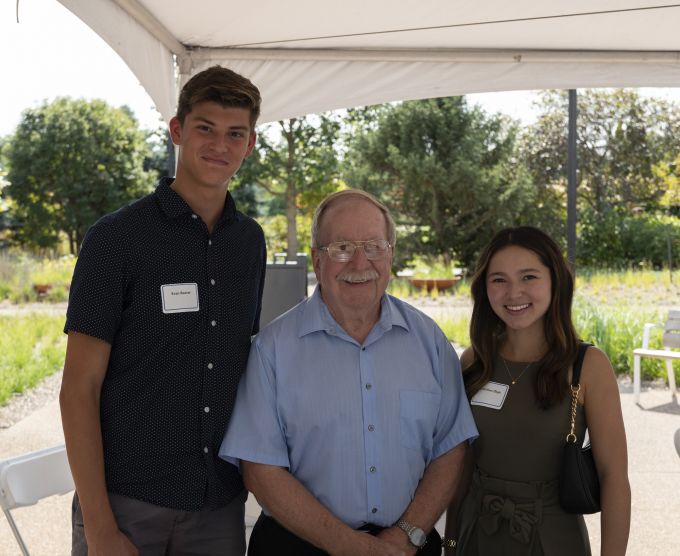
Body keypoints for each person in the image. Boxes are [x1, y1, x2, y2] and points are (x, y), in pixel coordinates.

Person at [60, 66, 266, 556]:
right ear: (177, 130)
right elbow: (78, 388)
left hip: (217, 504)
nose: (220, 145)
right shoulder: (116, 239)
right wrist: (100, 527)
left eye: (235, 133)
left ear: (250, 144)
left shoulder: (249, 243)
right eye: (205, 129)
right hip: (127, 504)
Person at [219, 189, 478, 556]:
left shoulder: (429, 341)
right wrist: (350, 546)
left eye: (374, 246)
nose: (360, 263)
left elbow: (450, 447)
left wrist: (404, 536)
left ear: (390, 254)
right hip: (298, 545)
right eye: (341, 247)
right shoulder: (271, 349)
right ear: (317, 260)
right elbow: (261, 470)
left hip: (405, 546)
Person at [444, 226, 630, 555]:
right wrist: (453, 537)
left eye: (529, 277)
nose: (514, 292)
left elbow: (613, 476)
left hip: (553, 538)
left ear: (555, 280)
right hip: (478, 533)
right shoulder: (474, 361)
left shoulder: (588, 365)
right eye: (499, 279)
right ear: (484, 288)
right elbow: (462, 463)